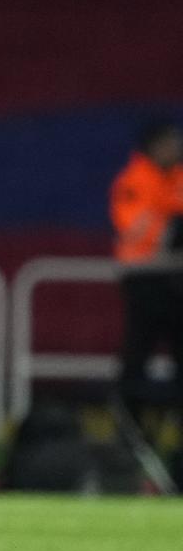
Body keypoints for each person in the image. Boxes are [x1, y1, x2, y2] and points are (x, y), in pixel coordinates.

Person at [110, 122, 183, 434]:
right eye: (170, 142)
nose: (176, 148)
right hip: (145, 279)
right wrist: (169, 215)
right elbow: (133, 230)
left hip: (177, 278)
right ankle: (131, 435)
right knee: (136, 359)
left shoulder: (177, 177)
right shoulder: (133, 181)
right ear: (153, 146)